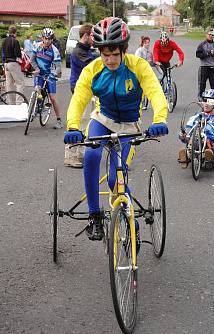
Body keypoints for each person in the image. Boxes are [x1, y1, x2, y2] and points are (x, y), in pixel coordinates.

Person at [64, 17, 168, 241]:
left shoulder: (138, 66)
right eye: (105, 54)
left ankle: (131, 219)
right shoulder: (93, 69)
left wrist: (159, 120)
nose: (110, 60)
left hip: (129, 126)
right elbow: (79, 99)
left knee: (114, 180)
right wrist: (73, 125)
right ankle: (95, 216)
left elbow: (156, 93)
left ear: (124, 49)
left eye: (114, 54)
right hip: (103, 119)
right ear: (99, 51)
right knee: (91, 155)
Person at [64, 23, 99, 168]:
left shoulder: (86, 50)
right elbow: (93, 66)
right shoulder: (79, 52)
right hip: (79, 92)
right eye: (93, 35)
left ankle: (80, 153)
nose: (95, 38)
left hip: (87, 91)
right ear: (85, 35)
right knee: (78, 122)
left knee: (86, 123)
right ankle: (71, 156)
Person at [178, 89, 214, 167]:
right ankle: (186, 154)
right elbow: (186, 138)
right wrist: (182, 136)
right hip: (196, 142)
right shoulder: (194, 118)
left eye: (209, 102)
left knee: (208, 140)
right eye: (204, 101)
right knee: (192, 139)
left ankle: (209, 154)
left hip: (213, 143)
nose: (206, 104)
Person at [31, 28, 63, 129]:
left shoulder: (55, 51)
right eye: (45, 38)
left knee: (53, 98)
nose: (47, 40)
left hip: (50, 74)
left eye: (49, 39)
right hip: (39, 72)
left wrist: (53, 74)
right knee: (37, 89)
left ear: (52, 40)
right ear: (43, 38)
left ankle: (59, 120)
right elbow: (32, 59)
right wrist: (36, 68)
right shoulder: (37, 46)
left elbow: (58, 67)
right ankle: (37, 106)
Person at [196, 30, 214, 101]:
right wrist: (207, 53)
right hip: (204, 66)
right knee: (202, 83)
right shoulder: (202, 44)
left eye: (212, 35)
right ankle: (201, 96)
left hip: (213, 67)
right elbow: (198, 55)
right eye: (209, 34)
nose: (210, 36)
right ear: (206, 35)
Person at [2, 26, 25, 97]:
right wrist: (21, 50)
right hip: (13, 63)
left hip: (6, 63)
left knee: (9, 84)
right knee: (20, 83)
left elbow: (3, 52)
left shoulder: (4, 41)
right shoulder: (15, 41)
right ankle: (19, 103)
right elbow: (18, 55)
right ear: (15, 32)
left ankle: (10, 103)